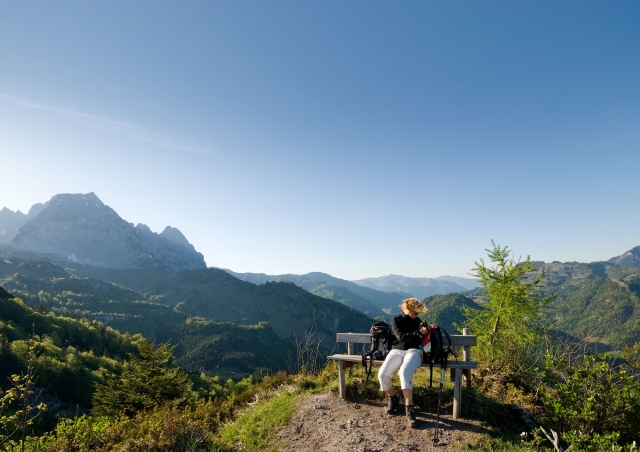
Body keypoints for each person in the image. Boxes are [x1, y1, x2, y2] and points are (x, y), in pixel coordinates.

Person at [377, 297, 429, 428]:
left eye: (418, 312)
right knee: (382, 375)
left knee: (404, 372)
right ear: (408, 310)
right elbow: (401, 337)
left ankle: (409, 407)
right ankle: (393, 398)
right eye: (415, 312)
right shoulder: (396, 320)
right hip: (397, 350)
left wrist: (424, 332)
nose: (417, 315)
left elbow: (420, 338)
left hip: (414, 351)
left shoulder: (418, 321)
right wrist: (417, 333)